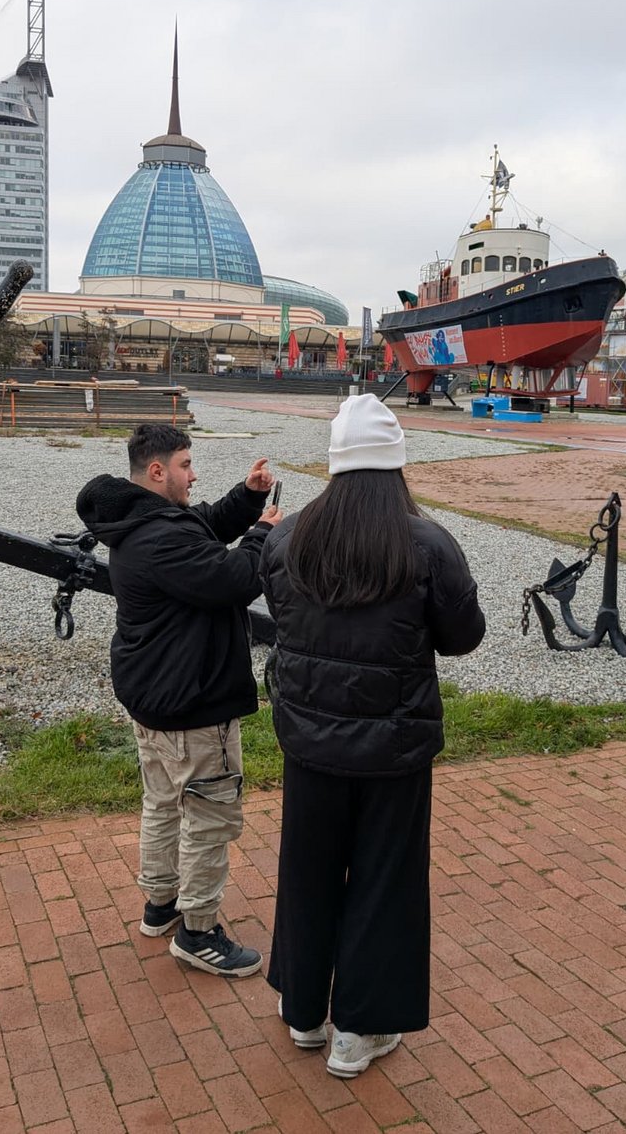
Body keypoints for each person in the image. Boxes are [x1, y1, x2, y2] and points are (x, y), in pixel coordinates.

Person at [259, 393, 486, 1076]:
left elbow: (281, 618)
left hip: (308, 736)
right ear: (396, 464)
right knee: (383, 879)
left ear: (334, 462)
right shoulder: (425, 543)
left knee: (307, 869)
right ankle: (359, 1031)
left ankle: (301, 1009)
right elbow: (462, 637)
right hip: (393, 743)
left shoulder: (285, 536)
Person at [76, 423, 281, 977]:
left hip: (156, 695)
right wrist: (263, 533)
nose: (194, 475)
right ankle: (198, 932)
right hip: (193, 700)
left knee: (164, 802)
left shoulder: (144, 518)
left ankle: (161, 904)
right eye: (187, 465)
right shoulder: (159, 538)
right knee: (209, 815)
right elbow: (235, 577)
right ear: (157, 471)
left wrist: (249, 496)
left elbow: (205, 527)